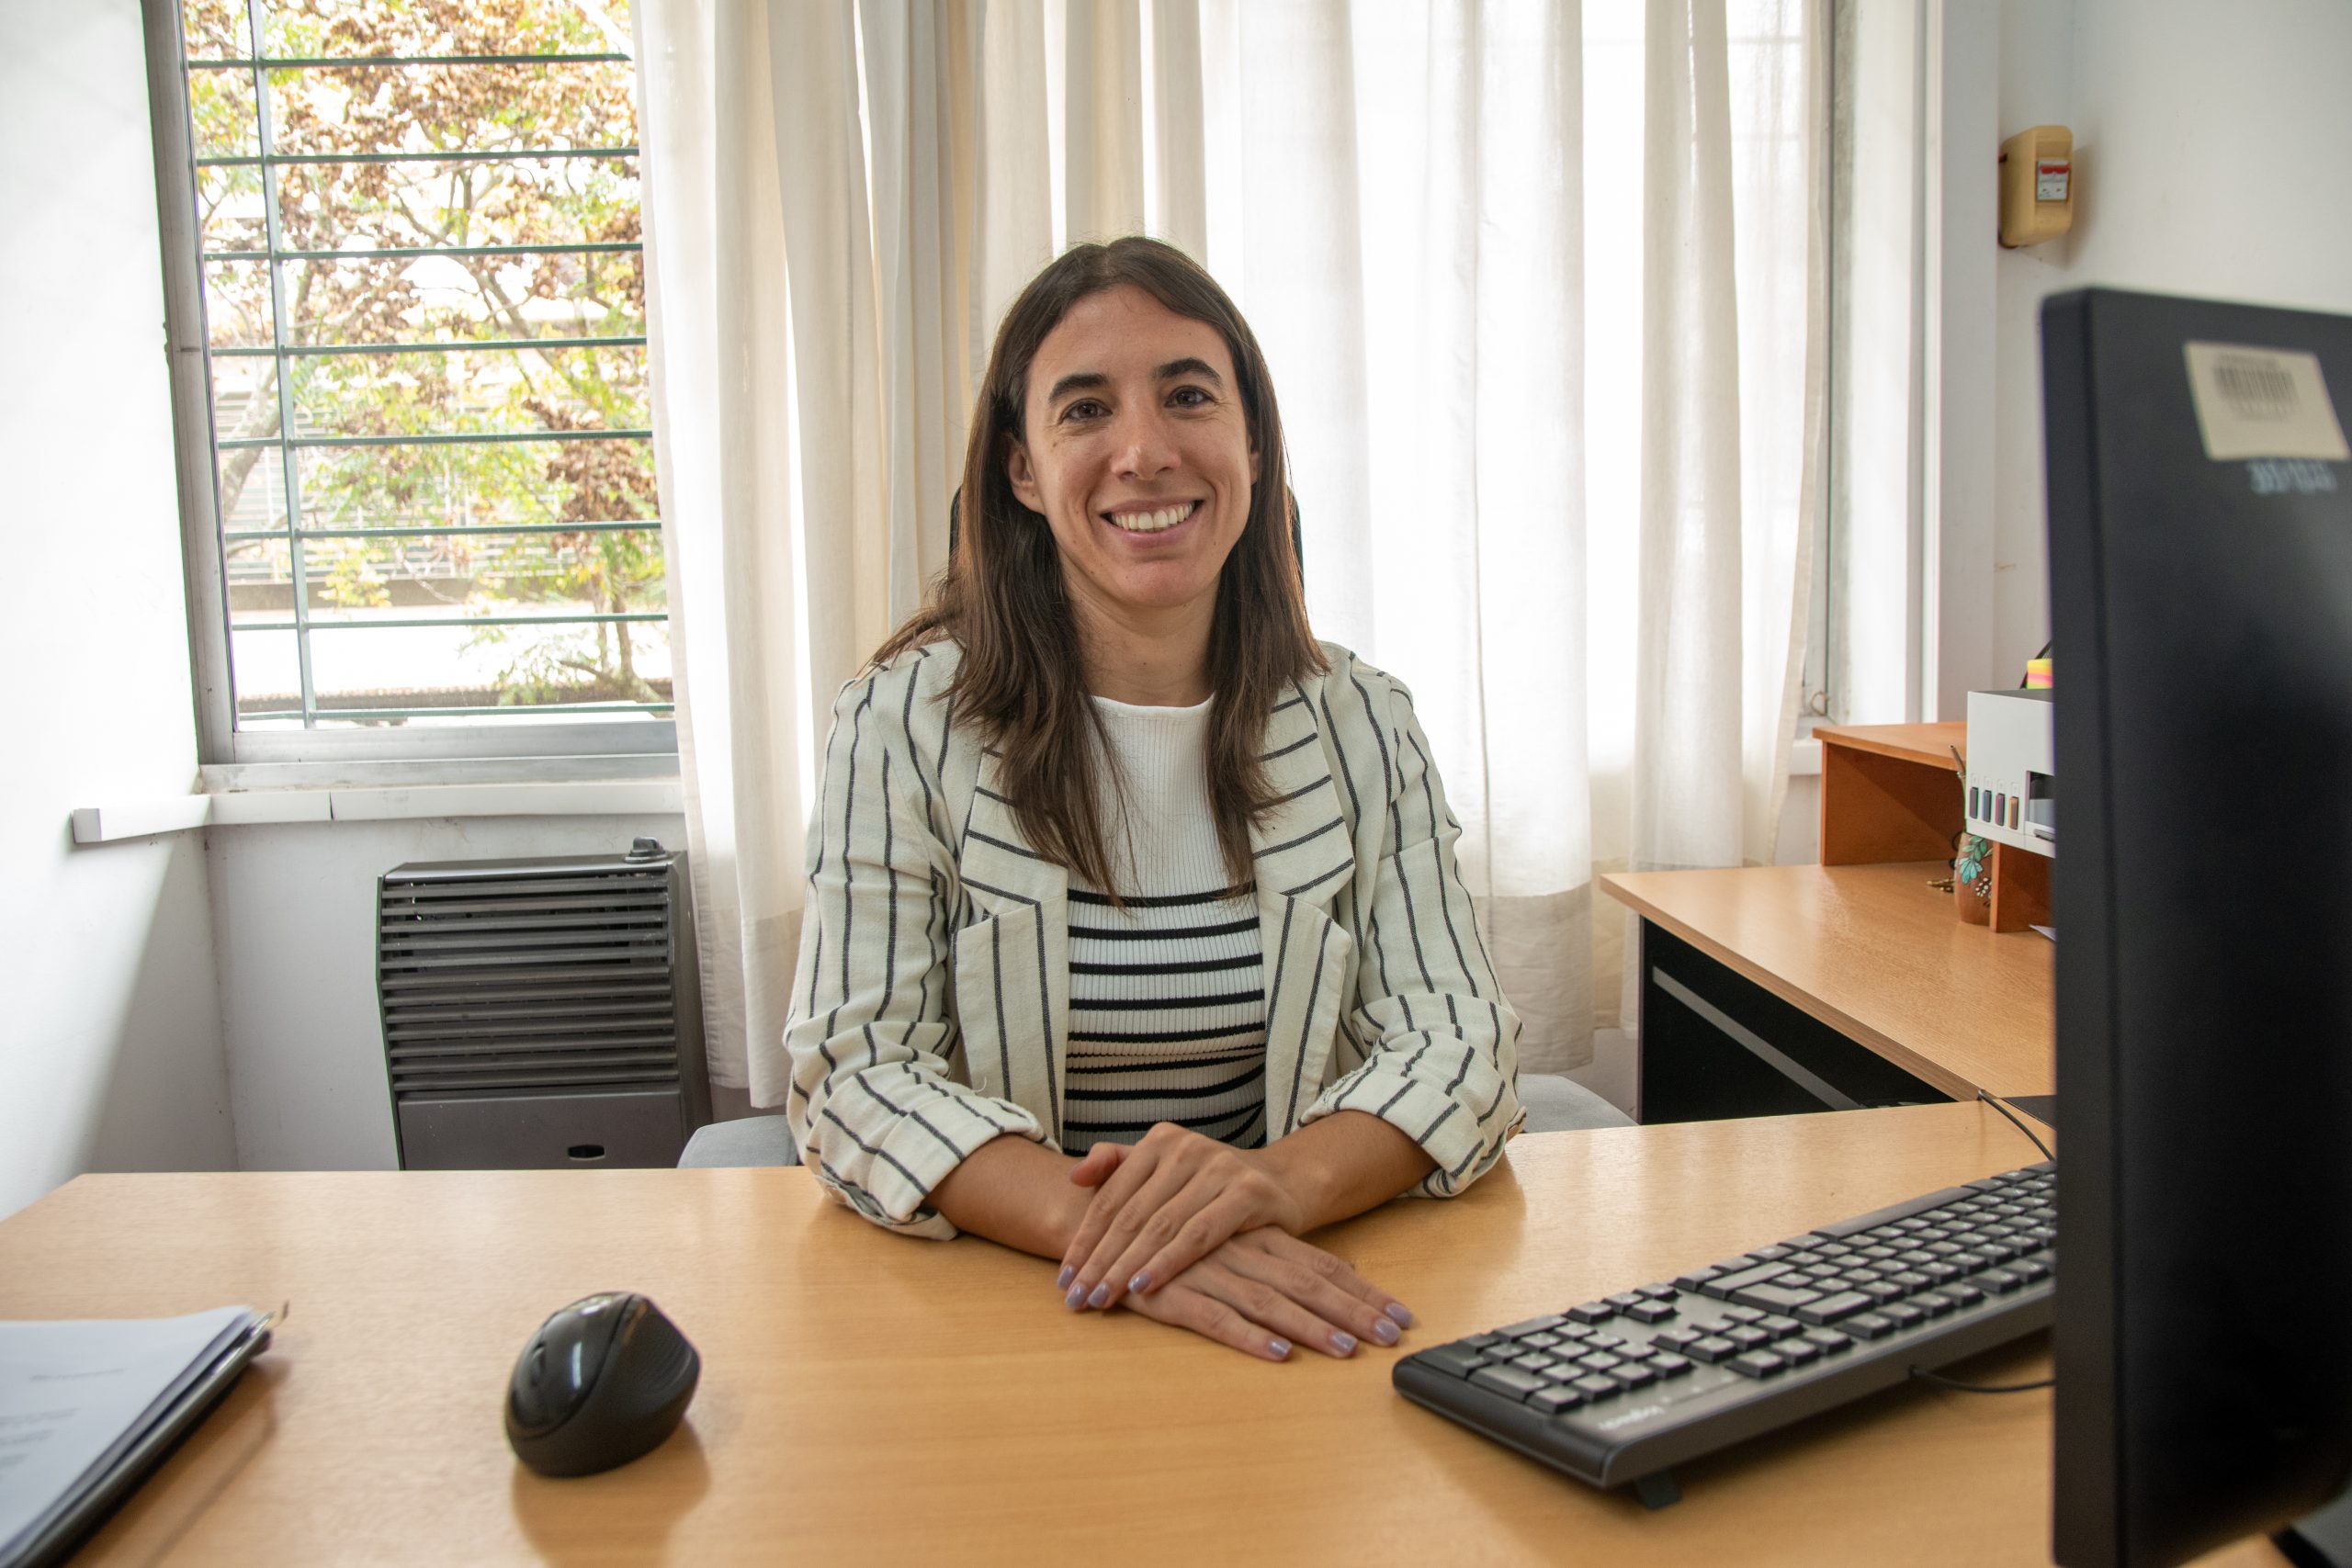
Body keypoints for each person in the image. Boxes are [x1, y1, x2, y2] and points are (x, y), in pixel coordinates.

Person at [783, 236, 1523, 1364]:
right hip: (1009, 1313)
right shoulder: (899, 724)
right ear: (1022, 471)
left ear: (1252, 443)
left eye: (1187, 396)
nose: (1144, 452)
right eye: (1085, 410)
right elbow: (855, 1071)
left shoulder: (1364, 721)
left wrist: (1273, 1188)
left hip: (1295, 1296)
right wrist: (1123, 1238)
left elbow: (1458, 1040)